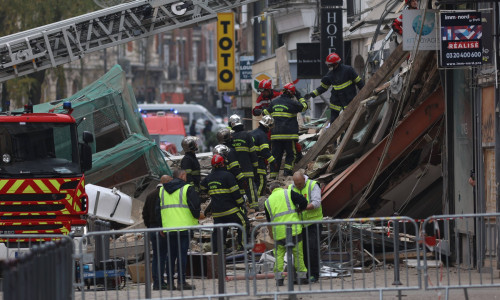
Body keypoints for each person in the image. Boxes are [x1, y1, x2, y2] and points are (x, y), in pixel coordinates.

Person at [159, 168, 203, 291]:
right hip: (184, 227)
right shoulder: (187, 188)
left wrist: (161, 226)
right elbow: (195, 207)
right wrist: (196, 218)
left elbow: (159, 210)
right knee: (182, 255)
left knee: (170, 256)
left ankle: (170, 283)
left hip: (168, 227)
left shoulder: (162, 190)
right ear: (183, 176)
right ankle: (182, 282)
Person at [201, 154, 249, 253]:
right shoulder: (228, 176)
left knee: (219, 230)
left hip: (217, 213)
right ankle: (242, 246)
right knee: (244, 223)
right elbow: (236, 193)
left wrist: (211, 191)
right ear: (223, 163)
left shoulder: (209, 177)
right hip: (230, 210)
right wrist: (241, 205)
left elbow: (202, 187)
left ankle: (218, 250)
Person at [264, 181, 309, 286]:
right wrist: (299, 210)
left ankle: (279, 279)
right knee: (298, 254)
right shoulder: (288, 192)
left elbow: (269, 220)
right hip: (293, 229)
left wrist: (271, 234)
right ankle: (301, 278)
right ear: (280, 187)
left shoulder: (267, 201)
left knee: (279, 255)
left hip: (279, 232)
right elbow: (304, 201)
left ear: (271, 190)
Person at [304, 53, 364, 123]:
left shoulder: (348, 70)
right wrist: (312, 94)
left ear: (335, 64)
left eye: (329, 64)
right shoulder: (329, 75)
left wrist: (365, 94)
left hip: (350, 103)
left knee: (351, 124)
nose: (328, 65)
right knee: (334, 126)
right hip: (336, 106)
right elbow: (323, 88)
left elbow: (360, 83)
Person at [263, 83, 308, 178]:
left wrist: (261, 111)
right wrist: (299, 96)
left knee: (275, 156)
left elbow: (266, 113)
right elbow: (304, 106)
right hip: (289, 136)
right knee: (291, 154)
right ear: (292, 93)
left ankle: (273, 176)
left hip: (275, 136)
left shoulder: (274, 102)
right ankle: (287, 173)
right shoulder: (292, 103)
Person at [291, 170, 323, 283]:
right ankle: (304, 275)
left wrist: (303, 208)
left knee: (312, 249)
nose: (299, 186)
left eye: (300, 183)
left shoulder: (313, 185)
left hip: (313, 223)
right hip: (300, 225)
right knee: (301, 251)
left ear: (304, 179)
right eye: (296, 184)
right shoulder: (291, 188)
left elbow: (316, 202)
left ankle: (314, 274)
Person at [142, 174, 172, 290]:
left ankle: (156, 281)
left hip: (152, 228)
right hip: (161, 228)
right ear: (166, 182)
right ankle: (160, 282)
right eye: (170, 181)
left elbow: (144, 214)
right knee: (162, 256)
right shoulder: (164, 195)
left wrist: (149, 226)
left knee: (156, 256)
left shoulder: (150, 195)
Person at [228, 114, 260, 211]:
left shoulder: (230, 138)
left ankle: (242, 209)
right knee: (250, 189)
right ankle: (255, 208)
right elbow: (253, 153)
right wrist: (255, 168)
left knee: (239, 190)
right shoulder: (247, 135)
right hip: (248, 169)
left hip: (235, 171)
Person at [250, 115, 276, 196]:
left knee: (253, 183)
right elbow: (265, 151)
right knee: (261, 182)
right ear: (268, 126)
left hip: (249, 162)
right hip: (258, 162)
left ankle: (250, 200)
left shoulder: (252, 133)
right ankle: (257, 200)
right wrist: (273, 161)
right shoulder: (262, 135)